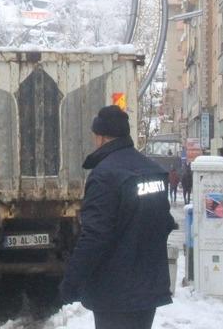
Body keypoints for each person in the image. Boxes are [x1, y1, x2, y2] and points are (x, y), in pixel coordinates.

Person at [60, 105, 176, 329]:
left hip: (114, 290)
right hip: (147, 286)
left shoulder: (104, 175)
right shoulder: (153, 170)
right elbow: (165, 223)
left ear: (101, 137)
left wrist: (71, 282)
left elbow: (94, 237)